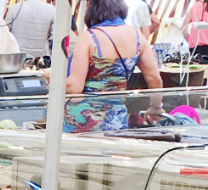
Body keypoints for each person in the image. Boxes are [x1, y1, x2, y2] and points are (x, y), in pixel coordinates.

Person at [65, 0, 163, 131]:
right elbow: (154, 78)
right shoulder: (137, 36)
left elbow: (74, 88)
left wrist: (53, 78)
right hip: (116, 118)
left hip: (83, 118)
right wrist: (155, 107)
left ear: (92, 9)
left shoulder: (88, 37)